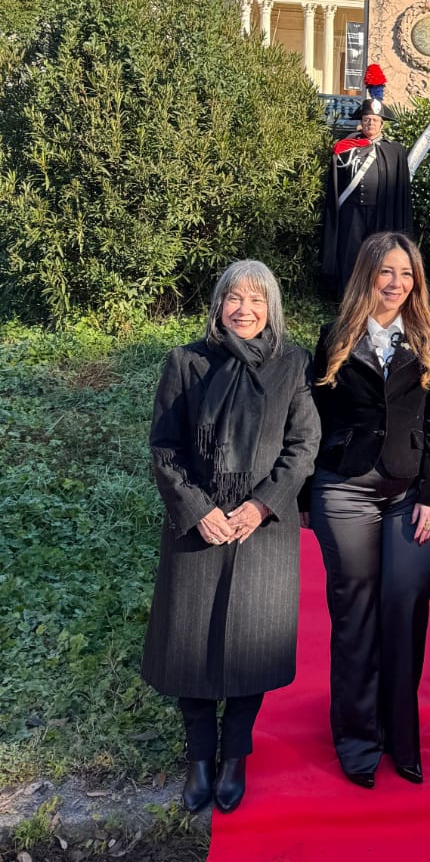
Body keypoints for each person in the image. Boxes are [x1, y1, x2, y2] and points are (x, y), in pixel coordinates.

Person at [142, 261, 319, 815]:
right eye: (234, 299)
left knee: (251, 645)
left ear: (272, 309)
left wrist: (262, 504)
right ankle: (199, 756)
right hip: (198, 523)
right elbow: (165, 448)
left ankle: (235, 755)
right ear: (218, 304)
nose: (245, 310)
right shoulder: (186, 362)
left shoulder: (293, 363)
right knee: (190, 643)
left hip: (261, 527)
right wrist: (197, 510)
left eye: (257, 300)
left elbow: (303, 444)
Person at [305, 231, 430, 788]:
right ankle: (358, 740)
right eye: (386, 272)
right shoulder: (334, 337)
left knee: (407, 606)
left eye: (406, 274)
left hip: (410, 492)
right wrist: (302, 499)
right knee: (356, 615)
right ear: (367, 274)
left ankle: (402, 735)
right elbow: (311, 421)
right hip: (344, 489)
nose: (396, 284)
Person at [319, 96, 413, 297]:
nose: (370, 123)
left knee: (379, 255)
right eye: (366, 119)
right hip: (352, 213)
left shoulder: (394, 150)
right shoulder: (346, 147)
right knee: (350, 255)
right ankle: (350, 296)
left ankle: (376, 294)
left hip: (382, 212)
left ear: (381, 123)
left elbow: (400, 189)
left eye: (375, 120)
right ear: (361, 122)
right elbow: (337, 181)